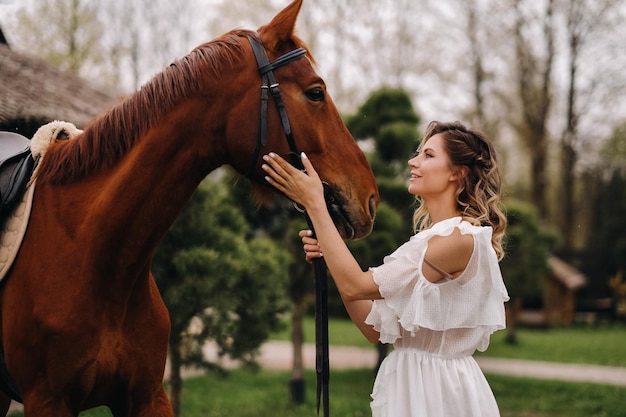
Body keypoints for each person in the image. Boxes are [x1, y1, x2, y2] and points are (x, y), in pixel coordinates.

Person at [262, 120, 509, 417]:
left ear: (458, 172)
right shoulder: (433, 241)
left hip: (438, 392)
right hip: (414, 382)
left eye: (428, 155)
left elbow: (356, 285)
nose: (413, 162)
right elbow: (371, 327)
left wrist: (315, 203)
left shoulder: (458, 240)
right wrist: (331, 257)